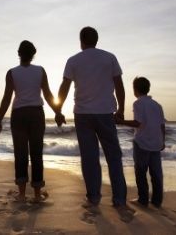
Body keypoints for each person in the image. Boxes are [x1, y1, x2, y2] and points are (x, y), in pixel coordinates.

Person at [55, 26, 131, 213]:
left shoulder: (73, 60)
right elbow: (119, 86)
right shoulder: (109, 57)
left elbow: (64, 86)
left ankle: (93, 198)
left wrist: (58, 109)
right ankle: (120, 200)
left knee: (89, 158)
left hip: (83, 114)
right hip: (105, 112)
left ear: (81, 41)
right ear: (96, 40)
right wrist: (121, 109)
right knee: (114, 157)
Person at [0, 40, 59, 202]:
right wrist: (57, 112)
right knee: (36, 154)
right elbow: (48, 94)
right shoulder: (40, 71)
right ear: (33, 54)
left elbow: (7, 98)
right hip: (36, 113)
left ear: (19, 54)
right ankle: (37, 194)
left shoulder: (12, 73)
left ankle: (22, 194)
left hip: (19, 114)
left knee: (20, 153)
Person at [116, 77, 166, 208]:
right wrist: (163, 141)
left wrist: (121, 122)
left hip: (142, 142)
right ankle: (157, 200)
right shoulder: (157, 105)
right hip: (156, 142)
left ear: (135, 89)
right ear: (148, 88)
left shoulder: (138, 104)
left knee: (140, 172)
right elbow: (162, 125)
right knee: (156, 173)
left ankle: (143, 199)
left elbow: (138, 123)